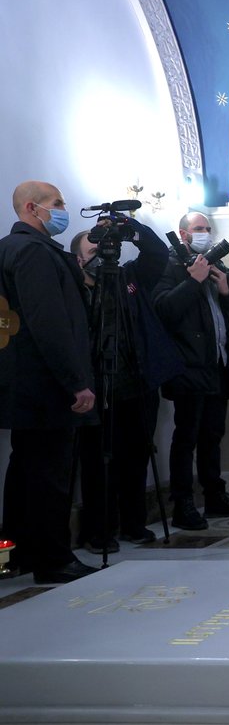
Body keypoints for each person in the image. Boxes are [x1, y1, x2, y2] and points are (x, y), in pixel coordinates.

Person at [0, 181, 97, 583]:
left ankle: (16, 553)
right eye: (56, 204)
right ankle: (53, 559)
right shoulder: (34, 252)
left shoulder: (10, 248)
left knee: (24, 469)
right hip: (46, 384)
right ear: (30, 208)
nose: (63, 209)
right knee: (49, 474)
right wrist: (76, 381)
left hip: (21, 381)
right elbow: (50, 323)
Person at [71, 219, 182, 552]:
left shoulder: (130, 277)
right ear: (78, 259)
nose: (103, 253)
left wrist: (129, 228)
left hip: (137, 382)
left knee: (136, 457)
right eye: (93, 249)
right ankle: (99, 531)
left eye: (107, 247)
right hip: (98, 387)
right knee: (97, 462)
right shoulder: (75, 288)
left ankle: (134, 524)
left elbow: (157, 253)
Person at [153, 212, 229, 530]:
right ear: (183, 234)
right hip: (189, 366)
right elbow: (164, 309)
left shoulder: (218, 267)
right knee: (187, 436)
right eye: (199, 229)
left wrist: (227, 290)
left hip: (220, 365)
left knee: (213, 435)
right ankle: (183, 503)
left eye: (208, 229)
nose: (206, 234)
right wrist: (192, 280)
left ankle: (214, 495)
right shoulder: (170, 265)